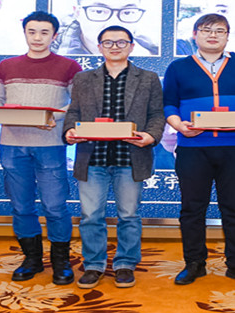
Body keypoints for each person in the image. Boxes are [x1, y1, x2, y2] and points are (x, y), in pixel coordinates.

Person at [163, 13, 235, 286]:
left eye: (219, 31)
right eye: (206, 30)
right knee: (192, 208)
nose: (213, 35)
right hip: (193, 148)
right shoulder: (179, 67)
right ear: (195, 34)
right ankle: (194, 263)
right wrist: (179, 125)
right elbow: (169, 103)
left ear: (227, 35)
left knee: (234, 208)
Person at [63, 26, 166, 289]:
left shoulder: (148, 78)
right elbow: (73, 112)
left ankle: (125, 264)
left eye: (121, 42)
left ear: (131, 46)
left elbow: (157, 114)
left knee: (129, 215)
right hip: (92, 157)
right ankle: (93, 265)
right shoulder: (83, 79)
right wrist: (70, 131)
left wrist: (151, 136)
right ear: (99, 47)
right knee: (90, 216)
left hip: (130, 157)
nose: (115, 47)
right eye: (108, 42)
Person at [0, 11, 82, 285]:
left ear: (54, 35)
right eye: (32, 31)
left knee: (55, 205)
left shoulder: (68, 66)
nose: (37, 37)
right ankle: (32, 259)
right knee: (21, 205)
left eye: (44, 32)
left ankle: (61, 262)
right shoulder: (7, 66)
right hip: (12, 145)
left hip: (50, 144)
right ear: (25, 33)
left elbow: (76, 103)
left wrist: (53, 117)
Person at [54, 0, 159, 56]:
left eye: (127, 12)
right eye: (99, 11)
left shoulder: (152, 52)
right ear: (77, 13)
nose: (114, 24)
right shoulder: (50, 52)